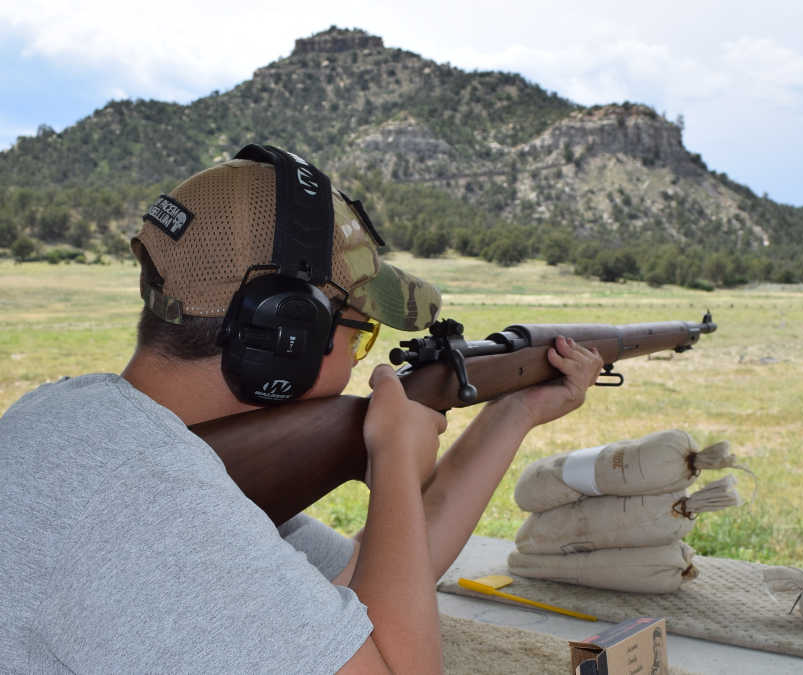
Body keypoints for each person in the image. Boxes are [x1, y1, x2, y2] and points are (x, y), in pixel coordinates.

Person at [0, 147, 604, 673]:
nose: (365, 354)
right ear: (285, 333)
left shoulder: (83, 424)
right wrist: (393, 462)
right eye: (362, 333)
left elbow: (378, 583)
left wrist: (515, 411)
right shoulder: (144, 496)